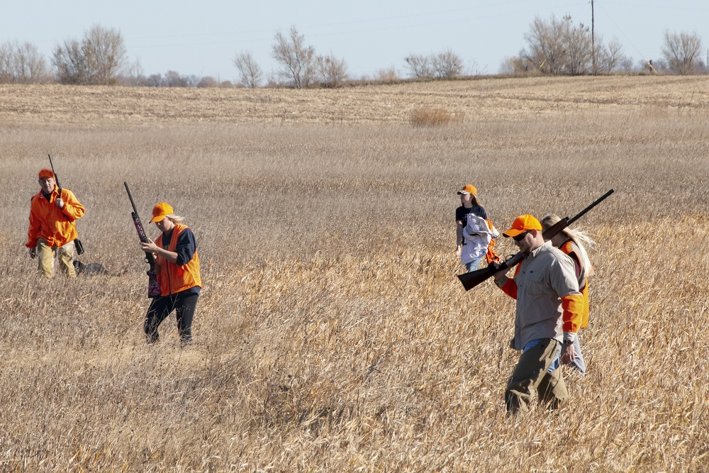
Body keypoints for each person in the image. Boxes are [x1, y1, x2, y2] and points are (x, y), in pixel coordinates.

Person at [493, 214, 584, 414]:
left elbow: (573, 298)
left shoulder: (555, 260)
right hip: (530, 336)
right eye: (514, 238)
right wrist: (501, 280)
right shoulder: (525, 263)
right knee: (554, 397)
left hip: (546, 336)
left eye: (519, 237)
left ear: (534, 233)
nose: (516, 243)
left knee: (517, 389)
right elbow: (521, 292)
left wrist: (569, 338)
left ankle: (515, 437)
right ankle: (564, 432)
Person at [139, 202, 202, 345]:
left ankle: (187, 360)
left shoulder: (184, 233)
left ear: (171, 218)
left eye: (161, 221)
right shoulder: (159, 241)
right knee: (149, 325)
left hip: (187, 287)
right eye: (156, 222)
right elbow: (160, 268)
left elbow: (182, 259)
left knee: (184, 331)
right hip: (167, 290)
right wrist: (153, 261)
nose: (159, 225)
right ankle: (154, 356)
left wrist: (157, 250)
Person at [541, 214, 595, 375]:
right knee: (564, 351)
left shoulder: (568, 251)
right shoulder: (568, 247)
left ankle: (581, 381)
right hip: (568, 307)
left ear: (552, 232)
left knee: (571, 352)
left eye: (544, 233)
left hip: (569, 308)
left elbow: (570, 288)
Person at [25, 168, 86, 278]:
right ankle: (44, 292)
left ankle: (71, 291)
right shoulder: (36, 201)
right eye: (43, 181)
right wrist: (32, 244)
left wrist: (64, 206)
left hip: (65, 236)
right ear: (39, 183)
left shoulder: (66, 194)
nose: (46, 184)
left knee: (68, 269)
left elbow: (80, 212)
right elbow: (34, 224)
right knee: (44, 270)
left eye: (49, 180)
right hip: (46, 237)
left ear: (54, 181)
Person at [455, 184, 497, 272]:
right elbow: (459, 229)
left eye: (464, 194)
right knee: (467, 268)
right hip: (466, 244)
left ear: (471, 197)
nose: (461, 197)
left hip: (479, 244)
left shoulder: (480, 210)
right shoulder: (459, 211)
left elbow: (486, 226)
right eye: (461, 194)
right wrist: (458, 246)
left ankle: (472, 282)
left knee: (471, 268)